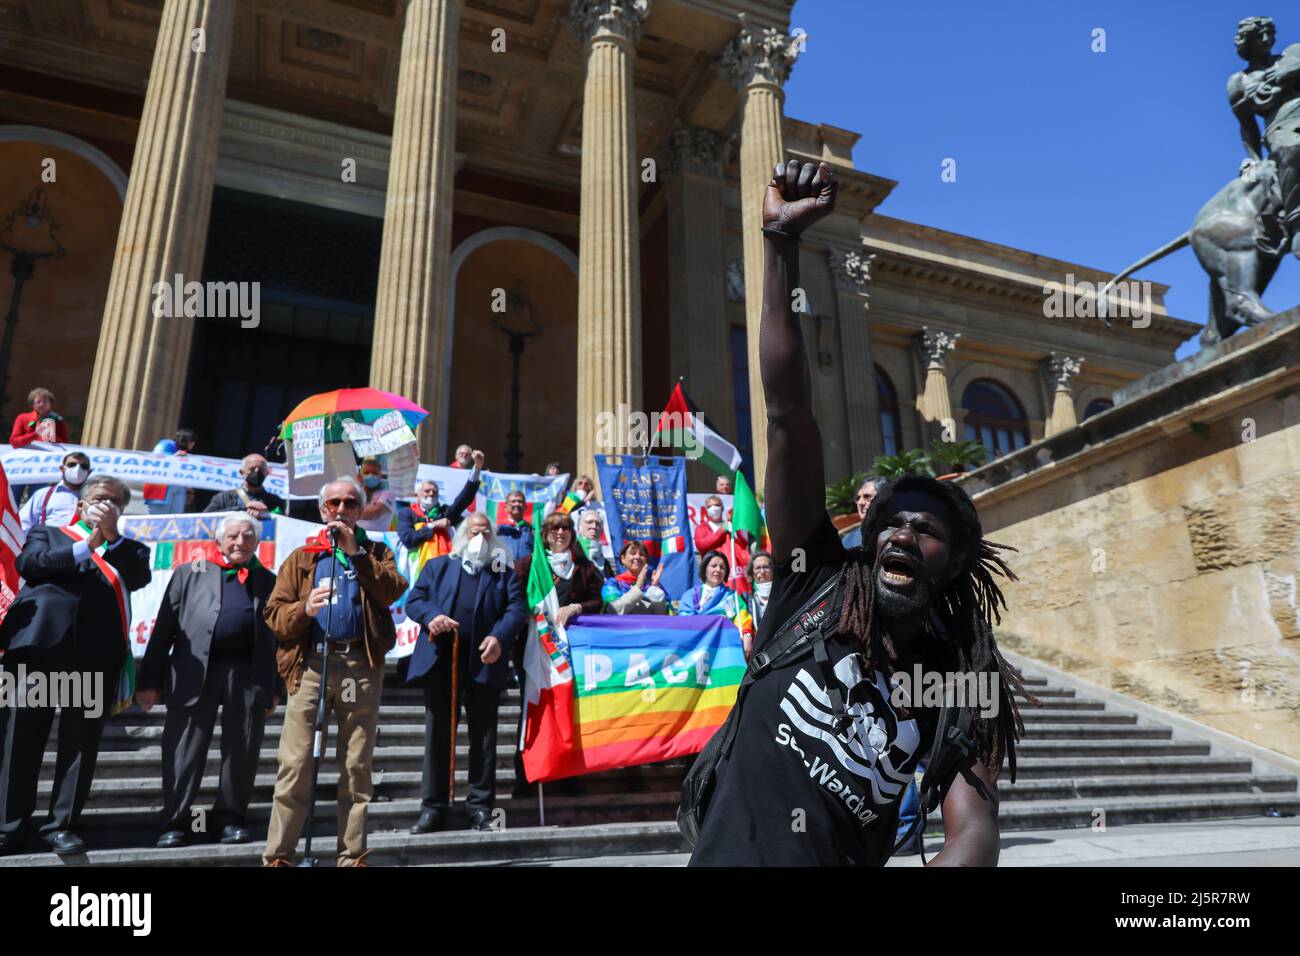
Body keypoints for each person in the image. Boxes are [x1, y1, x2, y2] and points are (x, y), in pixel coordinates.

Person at [688, 160, 1029, 867]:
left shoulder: (959, 677)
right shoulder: (812, 586)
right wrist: (780, 250)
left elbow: (974, 831)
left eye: (927, 530)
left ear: (956, 564)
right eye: (893, 523)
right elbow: (787, 414)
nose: (904, 531)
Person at [261, 476, 408, 867]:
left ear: (360, 510)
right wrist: (304, 609)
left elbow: (393, 590)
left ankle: (352, 855)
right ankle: (280, 856)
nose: (340, 509)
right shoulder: (302, 558)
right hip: (311, 665)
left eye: (349, 503)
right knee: (295, 763)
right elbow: (274, 616)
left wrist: (357, 554)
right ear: (322, 510)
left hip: (359, 666)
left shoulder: (375, 551)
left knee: (356, 765)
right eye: (333, 503)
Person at [0, 475, 150, 856]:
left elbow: (138, 577)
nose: (107, 504)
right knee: (21, 741)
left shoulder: (129, 549)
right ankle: (10, 825)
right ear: (81, 505)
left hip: (93, 656)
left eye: (116, 501)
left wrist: (110, 538)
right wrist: (86, 547)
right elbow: (30, 565)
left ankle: (61, 825)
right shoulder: (48, 534)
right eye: (100, 498)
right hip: (40, 650)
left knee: (80, 744)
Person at [136, 513, 281, 848]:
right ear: (218, 541)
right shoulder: (191, 572)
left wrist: (275, 687)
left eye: (247, 536)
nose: (240, 542)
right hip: (193, 670)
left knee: (241, 749)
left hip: (246, 675)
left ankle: (230, 818)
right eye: (232, 536)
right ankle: (175, 820)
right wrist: (150, 680)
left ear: (257, 543)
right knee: (184, 748)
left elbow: (278, 639)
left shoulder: (268, 580)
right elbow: (164, 629)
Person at [404, 512, 525, 832]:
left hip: (483, 664)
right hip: (442, 661)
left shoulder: (502, 572)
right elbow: (414, 601)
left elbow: (516, 609)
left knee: (484, 738)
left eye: (486, 533)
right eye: (474, 531)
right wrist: (432, 617)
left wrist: (499, 637)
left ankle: (480, 806)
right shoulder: (439, 566)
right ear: (461, 535)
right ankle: (433, 807)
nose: (479, 538)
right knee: (438, 736)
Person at [511, 511, 604, 795]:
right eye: (554, 529)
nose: (560, 533)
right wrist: (530, 613)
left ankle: (567, 776)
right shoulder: (528, 566)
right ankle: (526, 777)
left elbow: (598, 600)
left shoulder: (585, 568)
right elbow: (513, 598)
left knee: (566, 711)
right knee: (533, 708)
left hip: (570, 652)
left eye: (565, 528)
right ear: (545, 535)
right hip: (533, 647)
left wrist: (577, 607)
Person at [398, 451, 483, 584]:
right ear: (418, 494)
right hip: (416, 573)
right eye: (427, 491)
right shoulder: (407, 513)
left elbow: (463, 499)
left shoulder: (445, 512)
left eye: (435, 491)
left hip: (445, 572)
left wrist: (477, 467)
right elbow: (408, 539)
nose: (431, 493)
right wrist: (433, 526)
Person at [18, 450, 91, 532]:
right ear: (62, 468)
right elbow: (24, 523)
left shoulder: (94, 497)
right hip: (47, 542)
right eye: (72, 465)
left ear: (89, 471)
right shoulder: (43, 494)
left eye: (83, 466)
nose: (78, 469)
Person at [203, 453, 285, 519]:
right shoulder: (223, 497)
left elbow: (282, 521)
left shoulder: (276, 502)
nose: (256, 472)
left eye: (261, 470)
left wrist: (267, 514)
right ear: (242, 472)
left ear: (266, 474)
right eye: (252, 469)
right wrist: (243, 508)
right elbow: (205, 518)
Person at [602, 540, 669, 615]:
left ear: (646, 560)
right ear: (623, 559)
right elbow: (613, 610)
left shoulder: (654, 585)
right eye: (633, 553)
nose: (637, 557)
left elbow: (663, 615)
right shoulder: (613, 584)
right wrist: (638, 587)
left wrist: (654, 588)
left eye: (642, 554)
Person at [694, 494, 749, 579]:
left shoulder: (730, 525)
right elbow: (701, 545)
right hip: (713, 573)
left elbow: (743, 544)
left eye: (716, 505)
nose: (714, 508)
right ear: (706, 510)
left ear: (722, 508)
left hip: (733, 571)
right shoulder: (701, 528)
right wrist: (721, 531)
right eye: (710, 506)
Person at [841, 477, 886, 548]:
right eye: (858, 498)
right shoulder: (848, 540)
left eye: (867, 496)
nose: (860, 503)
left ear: (884, 498)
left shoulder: (899, 535)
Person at [356, 456, 396, 533]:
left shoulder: (388, 494)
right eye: (366, 473)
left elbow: (374, 513)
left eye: (374, 473)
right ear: (360, 475)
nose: (370, 475)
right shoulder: (357, 492)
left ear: (380, 475)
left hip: (378, 540)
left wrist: (348, 513)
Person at [496, 489, 533, 565]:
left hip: (525, 573)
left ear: (525, 507)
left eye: (520, 501)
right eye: (513, 501)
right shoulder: (498, 530)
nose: (517, 504)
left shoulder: (532, 531)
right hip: (504, 572)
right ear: (506, 507)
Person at [576, 508, 616, 578]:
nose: (594, 526)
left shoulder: (606, 563)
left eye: (598, 523)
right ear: (580, 528)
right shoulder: (573, 552)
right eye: (589, 522)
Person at [746, 550, 774, 629]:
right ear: (752, 573)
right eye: (758, 568)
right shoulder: (747, 600)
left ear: (772, 570)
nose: (762, 571)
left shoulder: (782, 594)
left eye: (766, 567)